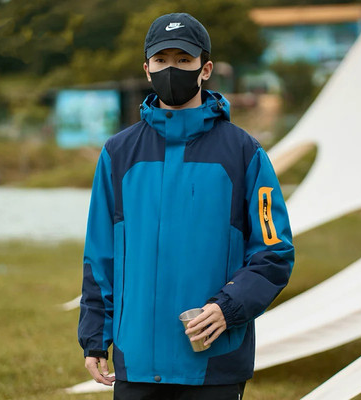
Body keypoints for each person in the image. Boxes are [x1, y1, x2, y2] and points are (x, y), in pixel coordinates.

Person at [78, 12, 294, 400]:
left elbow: (274, 253)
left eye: (183, 59)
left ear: (205, 69)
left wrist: (229, 307)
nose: (171, 69)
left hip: (213, 364)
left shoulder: (244, 153)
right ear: (147, 69)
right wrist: (95, 337)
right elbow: (100, 257)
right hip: (137, 361)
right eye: (161, 60)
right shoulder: (117, 154)